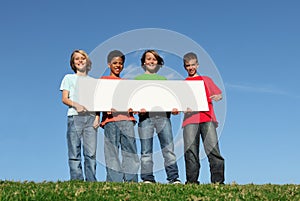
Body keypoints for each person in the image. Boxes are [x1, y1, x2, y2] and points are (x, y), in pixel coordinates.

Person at [135, 50, 181, 184]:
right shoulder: (137, 80)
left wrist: (173, 108)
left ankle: (173, 178)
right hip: (145, 118)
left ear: (158, 62)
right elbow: (135, 98)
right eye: (148, 59)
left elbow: (168, 98)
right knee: (146, 150)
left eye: (154, 59)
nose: (151, 61)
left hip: (163, 117)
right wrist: (138, 107)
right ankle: (147, 178)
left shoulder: (164, 80)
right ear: (144, 62)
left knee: (168, 149)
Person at [182, 52, 225, 184]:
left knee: (213, 150)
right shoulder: (183, 84)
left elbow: (219, 94)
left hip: (207, 119)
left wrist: (218, 97)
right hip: (190, 120)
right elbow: (180, 103)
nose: (191, 67)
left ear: (198, 65)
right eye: (188, 65)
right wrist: (183, 107)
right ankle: (192, 182)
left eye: (193, 65)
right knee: (191, 152)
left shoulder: (206, 80)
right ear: (185, 67)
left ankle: (218, 182)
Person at [100, 50, 140, 182]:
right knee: (111, 152)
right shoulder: (103, 80)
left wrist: (133, 107)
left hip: (127, 119)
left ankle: (131, 181)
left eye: (120, 63)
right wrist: (105, 107)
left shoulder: (127, 83)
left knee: (130, 151)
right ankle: (114, 181)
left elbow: (133, 101)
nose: (118, 65)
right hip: (110, 120)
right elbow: (98, 99)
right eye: (115, 63)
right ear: (109, 64)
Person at [60, 49, 99, 181]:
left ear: (87, 61)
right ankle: (76, 180)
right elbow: (64, 98)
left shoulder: (94, 81)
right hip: (74, 117)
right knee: (74, 150)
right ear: (73, 63)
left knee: (91, 153)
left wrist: (97, 117)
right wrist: (76, 105)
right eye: (77, 59)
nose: (80, 60)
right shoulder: (68, 78)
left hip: (91, 118)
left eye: (82, 58)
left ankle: (91, 180)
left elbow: (97, 101)